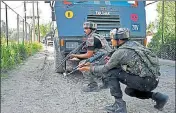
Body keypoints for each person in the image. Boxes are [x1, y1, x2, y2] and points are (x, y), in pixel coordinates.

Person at [78, 28, 169, 113]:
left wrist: (89, 68)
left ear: (119, 40)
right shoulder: (134, 44)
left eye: (112, 39)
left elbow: (105, 68)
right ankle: (159, 97)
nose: (111, 41)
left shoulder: (120, 52)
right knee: (129, 91)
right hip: (153, 81)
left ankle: (119, 105)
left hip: (144, 81)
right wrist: (90, 63)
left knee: (110, 72)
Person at [70, 21, 113, 92]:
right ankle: (106, 83)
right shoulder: (98, 36)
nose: (84, 30)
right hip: (108, 58)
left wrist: (75, 55)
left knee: (82, 64)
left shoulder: (91, 38)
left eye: (87, 28)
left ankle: (93, 86)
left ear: (92, 29)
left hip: (104, 59)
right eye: (84, 28)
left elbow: (88, 55)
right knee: (91, 62)